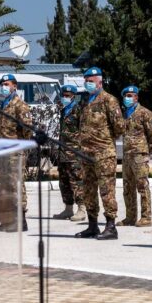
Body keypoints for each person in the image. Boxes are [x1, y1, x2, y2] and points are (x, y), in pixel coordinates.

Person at [75, 67, 125, 240]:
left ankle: (111, 226)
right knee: (88, 191)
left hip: (104, 155)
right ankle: (92, 225)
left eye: (91, 81)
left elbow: (119, 127)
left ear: (100, 82)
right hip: (86, 155)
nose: (87, 84)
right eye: (86, 81)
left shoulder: (109, 101)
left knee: (107, 191)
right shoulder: (86, 102)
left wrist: (103, 140)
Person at [0, 73, 33, 231]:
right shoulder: (4, 104)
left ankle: (21, 220)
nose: (4, 86)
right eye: (2, 84)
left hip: (15, 152)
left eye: (7, 84)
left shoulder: (20, 104)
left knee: (16, 184)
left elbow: (28, 129)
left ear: (14, 86)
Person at [119, 85, 152, 227]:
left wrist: (146, 152)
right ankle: (130, 217)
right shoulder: (124, 114)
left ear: (136, 97)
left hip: (139, 156)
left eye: (130, 96)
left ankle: (146, 217)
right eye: (125, 96)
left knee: (142, 186)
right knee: (127, 187)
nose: (127, 98)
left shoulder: (145, 113)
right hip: (126, 156)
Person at [54, 84, 85, 221]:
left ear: (73, 96)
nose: (65, 97)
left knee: (77, 181)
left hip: (74, 153)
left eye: (67, 95)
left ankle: (82, 209)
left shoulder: (78, 110)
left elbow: (83, 131)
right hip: (62, 152)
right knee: (64, 182)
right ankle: (68, 209)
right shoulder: (63, 110)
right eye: (63, 95)